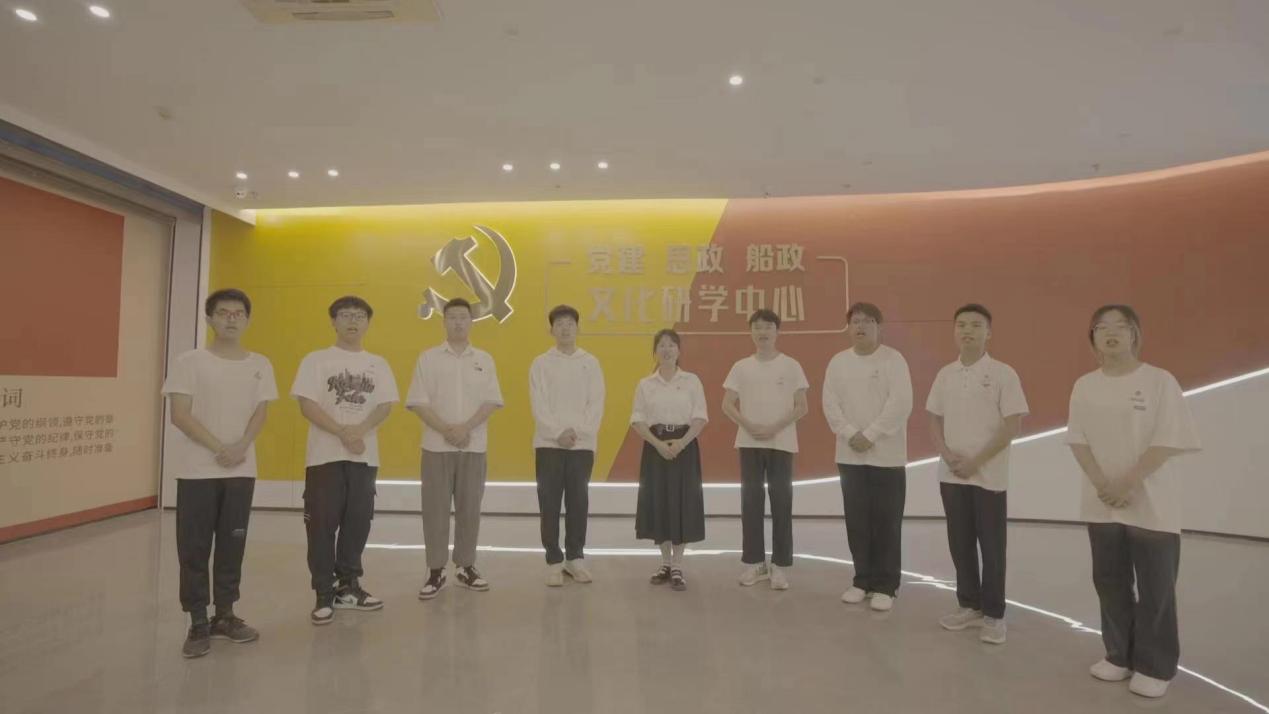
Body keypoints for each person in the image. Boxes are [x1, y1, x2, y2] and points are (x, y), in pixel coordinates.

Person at [1066, 305, 1201, 699]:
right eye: (1102, 327)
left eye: (1121, 327)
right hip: (1102, 502)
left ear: (1135, 335)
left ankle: (1155, 665)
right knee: (1110, 582)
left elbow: (1169, 439)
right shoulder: (1084, 385)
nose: (1111, 333)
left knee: (1156, 587)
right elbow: (1078, 440)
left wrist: (1128, 483)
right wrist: (1103, 484)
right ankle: (1118, 655)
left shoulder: (1159, 381)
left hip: (1151, 502)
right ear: (1093, 337)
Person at [163, 288, 277, 658]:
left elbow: (261, 412)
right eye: (224, 312)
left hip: (241, 468)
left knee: (232, 544)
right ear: (209, 318)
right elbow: (179, 414)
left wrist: (241, 446)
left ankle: (225, 615)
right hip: (197, 470)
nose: (231, 319)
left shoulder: (260, 364)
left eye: (238, 313)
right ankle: (197, 620)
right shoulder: (189, 362)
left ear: (247, 320)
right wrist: (219, 448)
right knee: (194, 547)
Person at [292, 296, 398, 625]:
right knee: (321, 526)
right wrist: (342, 432)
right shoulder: (316, 360)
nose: (353, 321)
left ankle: (349, 587)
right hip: (324, 457)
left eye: (359, 316)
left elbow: (384, 405)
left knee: (358, 522)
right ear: (333, 321)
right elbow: (307, 404)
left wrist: (358, 432)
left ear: (368, 323)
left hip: (364, 457)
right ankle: (324, 593)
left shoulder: (378, 364)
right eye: (345, 315)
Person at [926, 304, 1028, 644]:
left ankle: (994, 615)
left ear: (989, 332)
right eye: (961, 325)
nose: (967, 331)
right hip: (952, 474)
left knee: (992, 546)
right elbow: (934, 418)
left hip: (989, 476)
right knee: (960, 543)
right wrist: (946, 454)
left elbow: (1012, 425)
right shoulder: (946, 374)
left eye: (975, 325)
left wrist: (976, 461)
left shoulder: (1003, 374)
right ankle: (969, 605)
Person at [408, 297, 504, 599]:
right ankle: (435, 570)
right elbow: (418, 402)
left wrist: (465, 428)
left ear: (471, 322)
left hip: (473, 447)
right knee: (434, 510)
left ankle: (466, 566)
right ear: (444, 322)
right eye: (452, 317)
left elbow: (491, 401)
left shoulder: (484, 359)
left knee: (470, 509)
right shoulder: (428, 358)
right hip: (436, 447)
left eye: (463, 317)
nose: (458, 322)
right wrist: (447, 430)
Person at [822, 302, 913, 612]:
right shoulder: (838, 362)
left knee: (887, 522)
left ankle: (887, 585)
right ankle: (862, 580)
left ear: (879, 327)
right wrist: (851, 434)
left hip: (887, 456)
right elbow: (830, 404)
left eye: (867, 321)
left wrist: (871, 434)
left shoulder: (893, 360)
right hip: (850, 456)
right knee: (857, 521)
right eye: (855, 322)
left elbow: (900, 403)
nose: (860, 326)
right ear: (849, 328)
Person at [722, 309, 809, 590]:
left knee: (781, 501)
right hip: (749, 442)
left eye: (768, 327)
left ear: (777, 331)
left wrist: (773, 428)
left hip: (781, 442)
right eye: (757, 327)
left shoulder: (791, 366)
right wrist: (749, 425)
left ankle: (780, 566)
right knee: (751, 502)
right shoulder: (741, 367)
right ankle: (755, 564)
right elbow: (727, 404)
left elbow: (802, 406)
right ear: (751, 332)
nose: (763, 332)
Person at [529, 305, 605, 587]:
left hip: (582, 446)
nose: (565, 328)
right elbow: (538, 403)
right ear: (551, 330)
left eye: (570, 323)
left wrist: (578, 433)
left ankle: (575, 558)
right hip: (548, 445)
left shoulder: (591, 363)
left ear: (577, 328)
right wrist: (556, 433)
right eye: (559, 323)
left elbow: (596, 403)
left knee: (578, 502)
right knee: (549, 503)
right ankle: (553, 561)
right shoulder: (541, 363)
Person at [631, 329, 708, 592]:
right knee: (659, 503)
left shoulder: (691, 381)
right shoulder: (646, 384)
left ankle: (677, 565)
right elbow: (638, 420)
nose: (666, 350)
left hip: (685, 447)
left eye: (671, 345)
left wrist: (680, 444)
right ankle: (664, 562)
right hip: (655, 447)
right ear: (654, 352)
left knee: (682, 503)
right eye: (661, 345)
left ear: (679, 351)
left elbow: (700, 417)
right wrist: (659, 444)